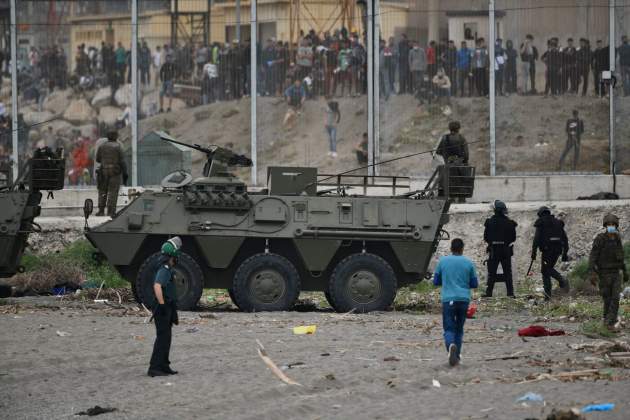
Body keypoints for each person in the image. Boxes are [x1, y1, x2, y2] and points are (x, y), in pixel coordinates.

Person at [433, 238, 478, 366]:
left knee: (448, 328)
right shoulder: (469, 263)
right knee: (459, 329)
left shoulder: (443, 262)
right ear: (462, 248)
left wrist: (447, 280)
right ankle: (456, 356)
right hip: (463, 300)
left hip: (448, 299)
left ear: (451, 248)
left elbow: (436, 282)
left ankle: (450, 347)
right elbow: (474, 284)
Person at [148, 237, 182, 377]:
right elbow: (157, 286)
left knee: (166, 337)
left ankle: (164, 365)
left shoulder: (165, 267)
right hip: (163, 306)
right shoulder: (164, 269)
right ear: (172, 255)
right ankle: (154, 368)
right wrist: (162, 305)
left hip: (167, 305)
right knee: (162, 337)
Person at [588, 214, 628, 330]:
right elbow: (593, 256)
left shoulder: (617, 238)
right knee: (607, 299)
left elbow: (620, 256)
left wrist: (625, 272)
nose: (611, 226)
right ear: (605, 226)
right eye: (609, 225)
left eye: (613, 225)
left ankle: (609, 322)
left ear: (616, 226)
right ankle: (607, 320)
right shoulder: (600, 239)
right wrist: (591, 273)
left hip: (616, 273)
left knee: (615, 298)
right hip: (604, 273)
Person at [531, 206, 570, 301]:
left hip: (547, 251)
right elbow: (565, 239)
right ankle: (548, 296)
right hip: (557, 251)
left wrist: (534, 252)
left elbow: (536, 239)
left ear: (540, 214)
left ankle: (561, 280)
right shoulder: (558, 222)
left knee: (546, 270)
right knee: (547, 270)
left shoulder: (541, 222)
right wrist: (565, 253)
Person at [482, 200, 517, 298]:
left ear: (495, 210)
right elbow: (513, 238)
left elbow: (486, 237)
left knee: (492, 272)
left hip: (494, 250)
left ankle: (489, 293)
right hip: (506, 251)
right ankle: (510, 293)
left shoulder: (489, 222)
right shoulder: (510, 222)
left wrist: (492, 243)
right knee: (507, 272)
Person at [95, 131, 128, 217]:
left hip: (103, 172)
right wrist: (125, 173)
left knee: (102, 191)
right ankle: (111, 211)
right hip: (115, 173)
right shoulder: (118, 147)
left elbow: (98, 159)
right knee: (113, 192)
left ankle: (101, 211)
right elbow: (122, 161)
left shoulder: (101, 146)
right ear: (116, 137)